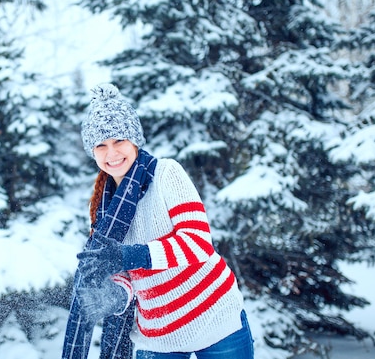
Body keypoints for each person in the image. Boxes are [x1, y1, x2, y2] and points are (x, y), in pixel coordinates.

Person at [61, 83, 254, 359]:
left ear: (135, 140)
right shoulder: (101, 207)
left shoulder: (166, 174)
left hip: (214, 318)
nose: (111, 153)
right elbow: (124, 272)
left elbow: (198, 242)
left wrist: (131, 255)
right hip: (159, 335)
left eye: (118, 141)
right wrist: (114, 296)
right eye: (101, 145)